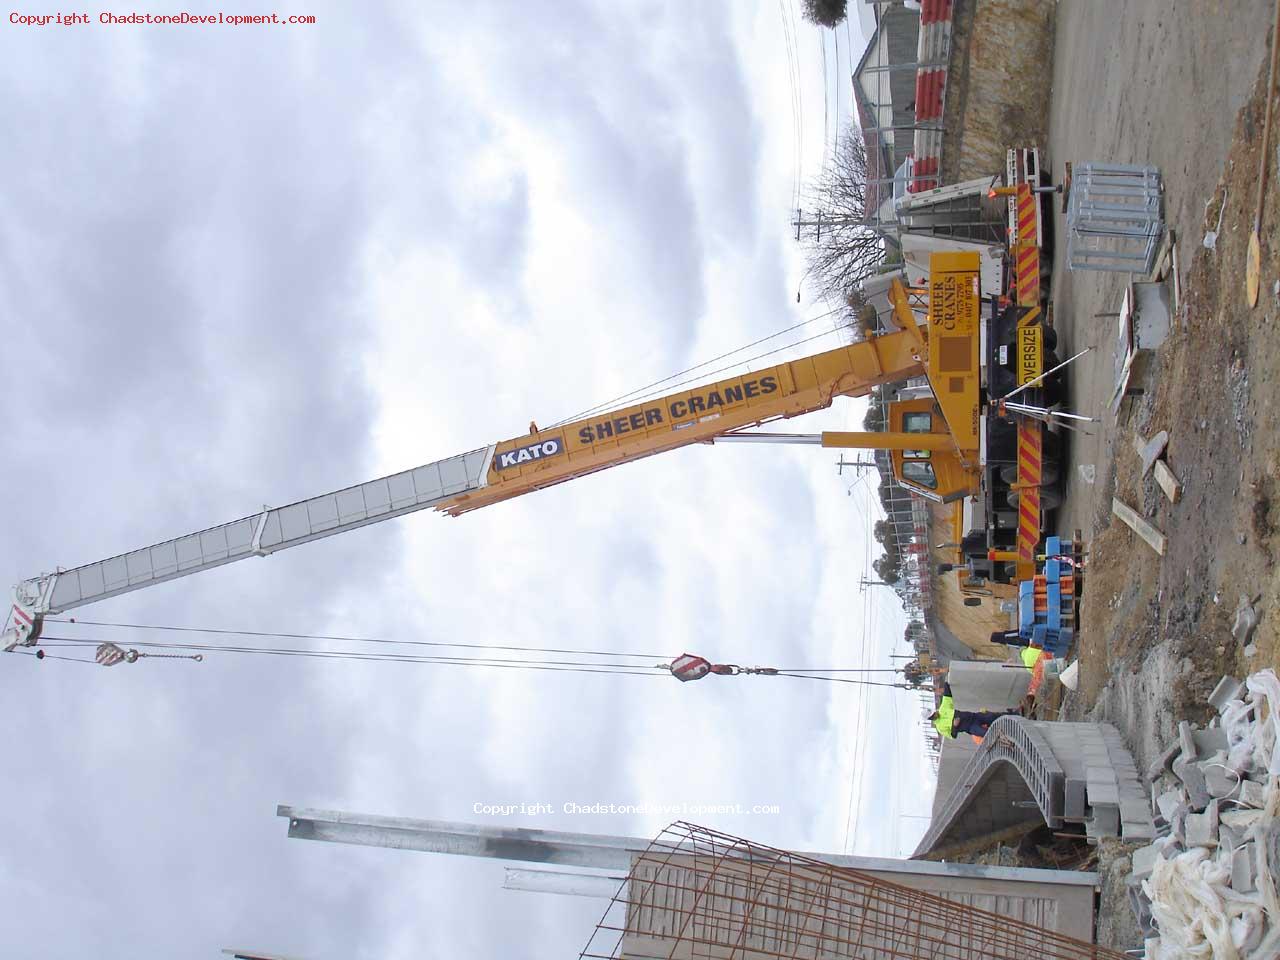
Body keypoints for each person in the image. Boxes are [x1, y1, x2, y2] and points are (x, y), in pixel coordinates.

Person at [929, 683, 1012, 740]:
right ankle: (1010, 735)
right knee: (986, 733)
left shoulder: (943, 709)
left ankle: (1014, 715)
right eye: (933, 715)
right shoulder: (940, 728)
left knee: (992, 717)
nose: (936, 713)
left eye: (934, 712)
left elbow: (947, 696)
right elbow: (953, 736)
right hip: (970, 727)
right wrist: (954, 726)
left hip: (974, 716)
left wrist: (946, 683)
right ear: (932, 718)